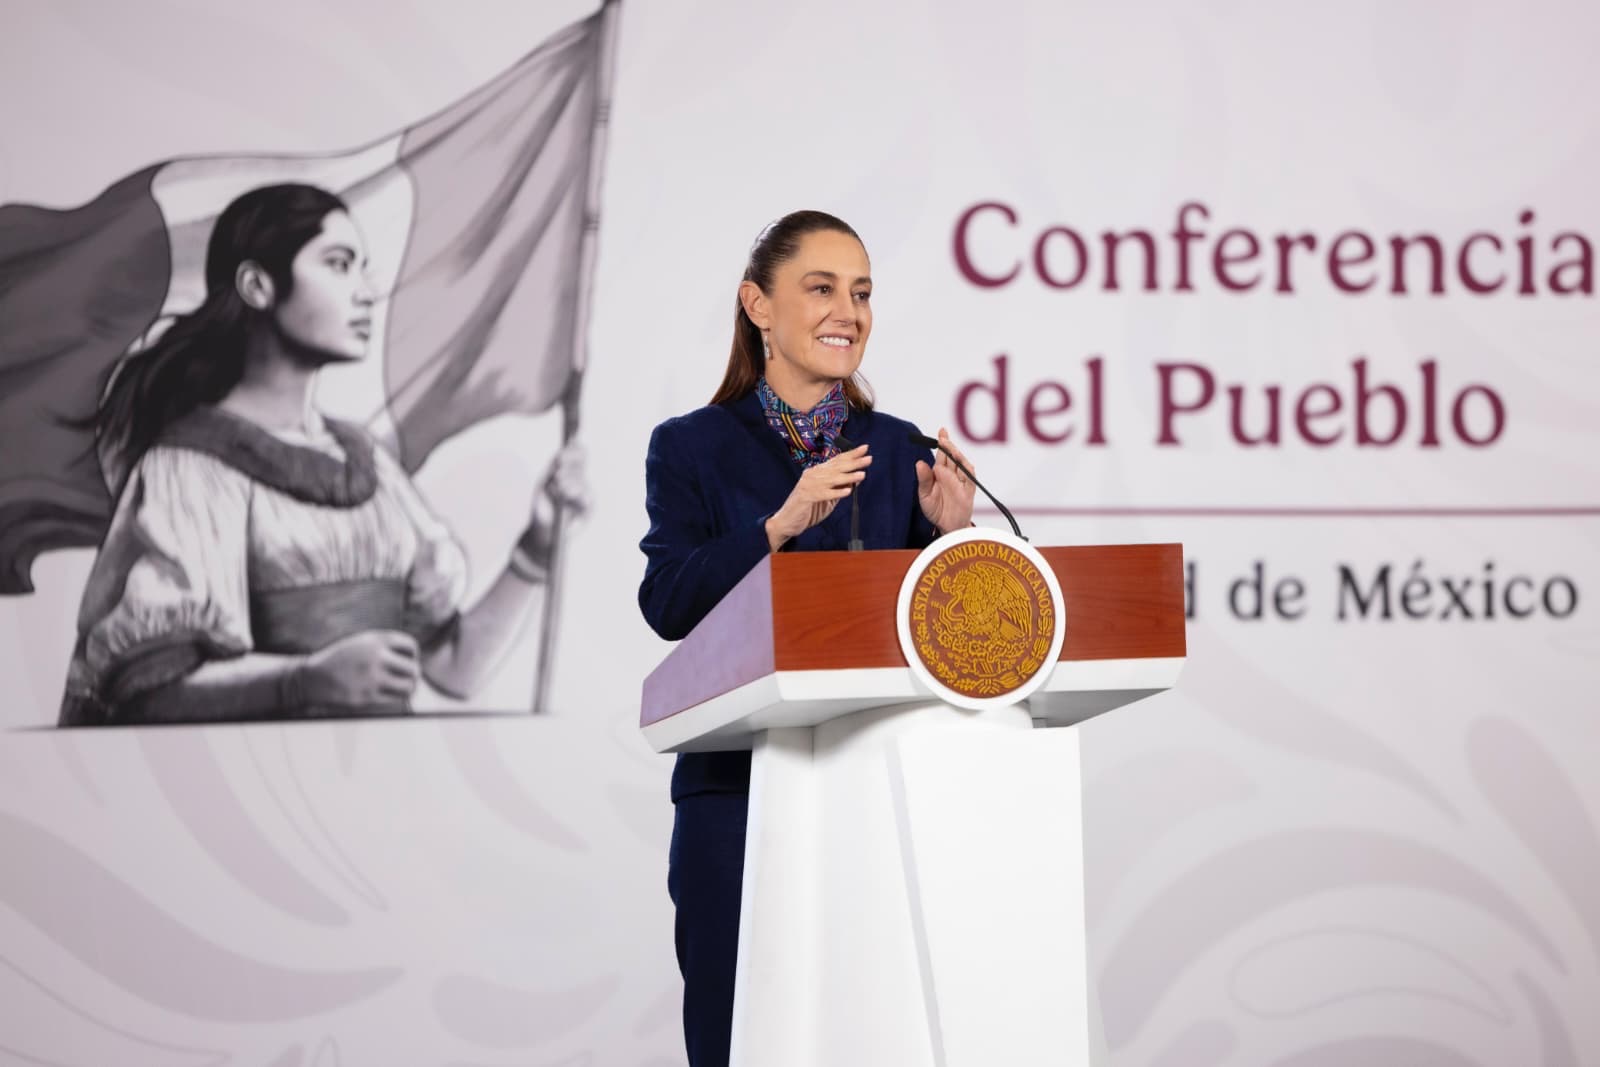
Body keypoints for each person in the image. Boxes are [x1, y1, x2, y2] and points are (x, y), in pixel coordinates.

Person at [638, 210, 978, 1066]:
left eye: (861, 293)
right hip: (737, 792)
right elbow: (668, 601)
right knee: (738, 1033)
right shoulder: (690, 446)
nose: (848, 312)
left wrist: (952, 536)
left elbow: (944, 628)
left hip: (877, 784)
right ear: (758, 304)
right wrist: (776, 527)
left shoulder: (898, 446)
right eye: (821, 288)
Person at [59, 182, 584, 725]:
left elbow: (456, 668)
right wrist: (303, 680)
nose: (366, 292)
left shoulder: (369, 464)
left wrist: (538, 546)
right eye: (338, 264)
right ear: (257, 286)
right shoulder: (189, 468)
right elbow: (148, 694)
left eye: (362, 268)